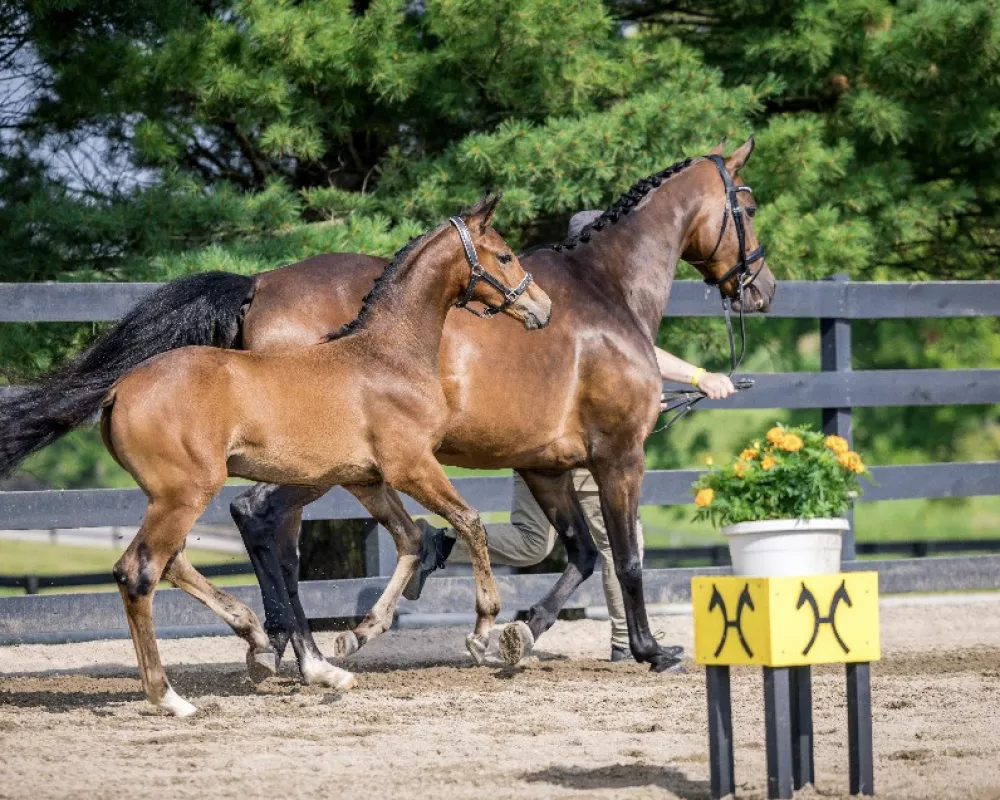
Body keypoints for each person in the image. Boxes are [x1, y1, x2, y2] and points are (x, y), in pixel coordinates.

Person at [405, 211, 737, 661]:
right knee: (620, 538)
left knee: (530, 541)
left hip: (529, 440)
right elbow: (631, 353)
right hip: (570, 447)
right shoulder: (581, 301)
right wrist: (695, 376)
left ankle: (438, 545)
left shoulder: (544, 291)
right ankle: (627, 641)